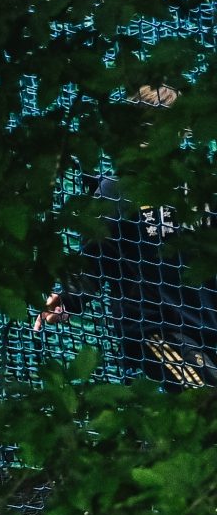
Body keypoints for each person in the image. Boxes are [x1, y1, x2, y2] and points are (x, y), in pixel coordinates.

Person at [34, 85, 217, 386]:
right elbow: (95, 257)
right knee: (204, 398)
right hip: (156, 332)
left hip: (208, 326)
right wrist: (70, 298)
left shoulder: (200, 190)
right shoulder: (118, 191)